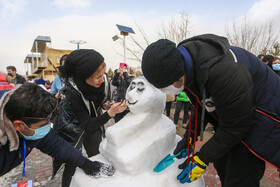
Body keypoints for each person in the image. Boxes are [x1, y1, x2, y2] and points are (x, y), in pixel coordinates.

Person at [142, 34, 280, 186]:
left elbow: (236, 126)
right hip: (233, 115)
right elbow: (202, 106)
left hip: (262, 116)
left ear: (178, 77)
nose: (169, 91)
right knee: (221, 163)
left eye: (168, 86)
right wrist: (189, 139)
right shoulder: (187, 68)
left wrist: (202, 159)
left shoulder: (225, 71)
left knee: (239, 175)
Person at [0, 82, 115, 178]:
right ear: (19, 125)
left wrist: (85, 163)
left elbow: (56, 145)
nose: (48, 127)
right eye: (44, 124)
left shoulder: (30, 123)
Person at [53, 49, 127, 187]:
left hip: (92, 122)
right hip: (72, 128)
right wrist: (110, 113)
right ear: (83, 78)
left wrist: (105, 105)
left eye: (102, 75)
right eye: (97, 77)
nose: (102, 80)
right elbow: (87, 124)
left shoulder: (99, 81)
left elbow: (96, 101)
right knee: (73, 160)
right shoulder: (71, 94)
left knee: (96, 152)